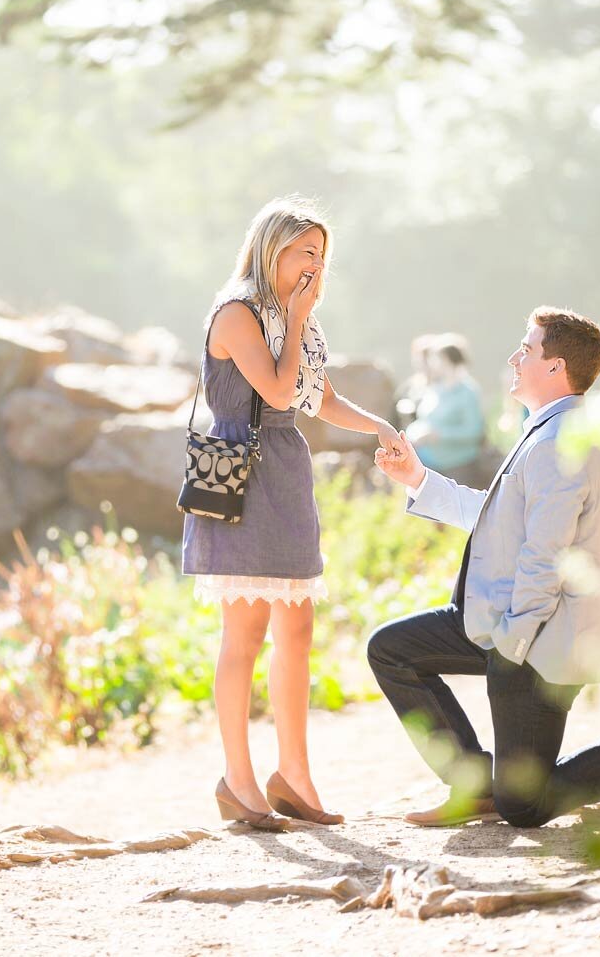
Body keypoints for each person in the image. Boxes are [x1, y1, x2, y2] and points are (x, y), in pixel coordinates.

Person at [367, 307, 600, 828]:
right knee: (392, 650)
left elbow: (545, 559)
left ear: (555, 368)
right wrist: (418, 477)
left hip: (535, 643)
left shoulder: (558, 445)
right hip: (500, 623)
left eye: (525, 349)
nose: (512, 357)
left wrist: (513, 646)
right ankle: (474, 785)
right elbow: (496, 519)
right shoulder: (544, 433)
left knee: (524, 806)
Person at [182, 196, 406, 831]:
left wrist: (381, 426)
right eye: (306, 249)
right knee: (244, 635)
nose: (316, 263)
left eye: (322, 253)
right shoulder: (237, 313)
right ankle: (238, 779)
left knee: (299, 633)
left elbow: (317, 398)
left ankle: (295, 776)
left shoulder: (296, 319)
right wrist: (301, 319)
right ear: (270, 247)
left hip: (285, 470)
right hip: (241, 476)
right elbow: (276, 390)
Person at [403, 334, 486, 488]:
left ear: (446, 360)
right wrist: (413, 435)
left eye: (434, 359)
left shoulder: (468, 392)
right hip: (431, 463)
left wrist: (439, 435)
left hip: (458, 466)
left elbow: (474, 432)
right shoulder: (436, 388)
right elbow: (424, 420)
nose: (429, 363)